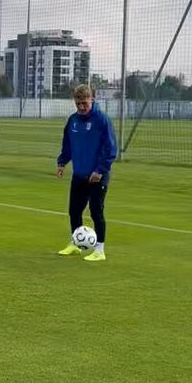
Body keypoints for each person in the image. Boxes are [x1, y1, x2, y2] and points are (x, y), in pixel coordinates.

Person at [56, 84, 117, 262]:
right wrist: (62, 162)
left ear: (92, 99)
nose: (82, 107)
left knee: (96, 211)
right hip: (79, 174)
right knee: (74, 211)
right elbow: (67, 144)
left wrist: (100, 170)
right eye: (78, 103)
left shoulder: (101, 120)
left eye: (85, 103)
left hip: (97, 175)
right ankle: (75, 244)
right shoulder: (73, 120)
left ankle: (99, 250)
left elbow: (110, 148)